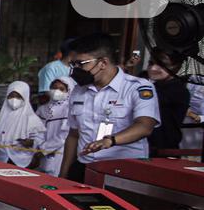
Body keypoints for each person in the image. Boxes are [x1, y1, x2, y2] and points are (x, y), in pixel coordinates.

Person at [60, 33, 161, 181]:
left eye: (81, 64)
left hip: (123, 171)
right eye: (73, 64)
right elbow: (74, 135)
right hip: (85, 166)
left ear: (103, 63)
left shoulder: (136, 87)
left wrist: (110, 140)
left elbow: (144, 126)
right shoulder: (79, 90)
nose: (76, 69)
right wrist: (63, 174)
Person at [145, 48, 190, 156]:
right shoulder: (154, 86)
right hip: (147, 149)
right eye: (151, 63)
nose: (153, 68)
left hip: (163, 152)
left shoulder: (177, 90)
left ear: (176, 67)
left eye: (161, 65)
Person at [0, 81, 46, 169]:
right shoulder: (2, 115)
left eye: (18, 96)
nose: (14, 99)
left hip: (21, 159)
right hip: (1, 157)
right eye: (11, 96)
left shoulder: (31, 118)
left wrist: (31, 142)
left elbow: (40, 138)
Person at [35, 76, 75, 175]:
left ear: (68, 91)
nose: (57, 91)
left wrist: (45, 148)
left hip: (59, 152)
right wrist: (39, 145)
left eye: (61, 89)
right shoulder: (42, 109)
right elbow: (37, 130)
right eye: (54, 88)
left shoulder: (69, 110)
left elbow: (64, 136)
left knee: (55, 176)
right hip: (39, 151)